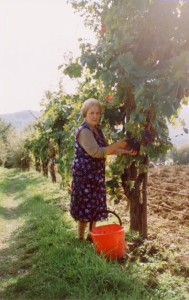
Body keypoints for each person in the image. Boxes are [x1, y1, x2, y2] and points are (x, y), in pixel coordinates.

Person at [70, 98, 136, 240]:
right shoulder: (84, 131)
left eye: (97, 113)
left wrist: (125, 150)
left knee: (94, 205)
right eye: (91, 113)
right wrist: (119, 143)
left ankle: (91, 235)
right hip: (84, 175)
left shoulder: (97, 130)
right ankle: (80, 237)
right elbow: (97, 152)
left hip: (96, 174)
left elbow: (107, 149)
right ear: (85, 114)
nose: (95, 116)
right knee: (84, 205)